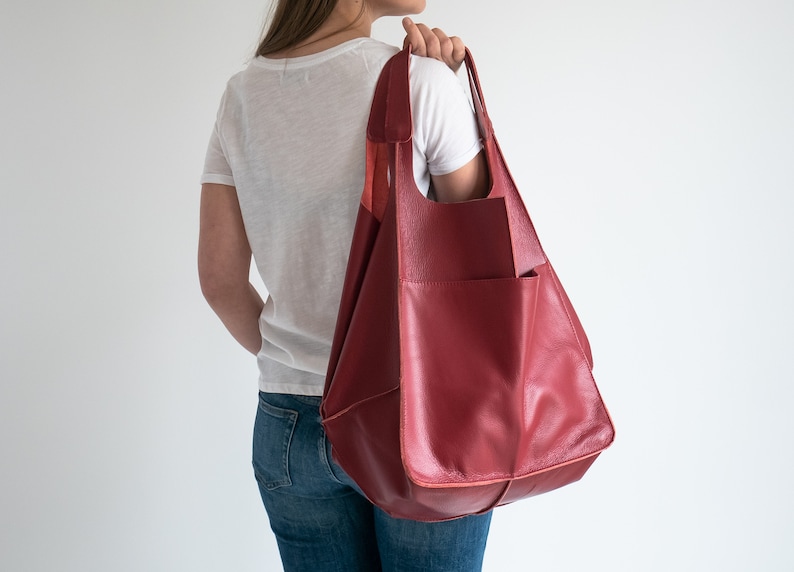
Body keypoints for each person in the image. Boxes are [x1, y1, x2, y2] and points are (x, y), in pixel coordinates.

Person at [198, 1, 491, 570]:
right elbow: (486, 255)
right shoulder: (419, 82)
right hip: (416, 411)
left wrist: (299, 361)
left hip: (288, 421)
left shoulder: (240, 96)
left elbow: (218, 280)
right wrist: (455, 96)